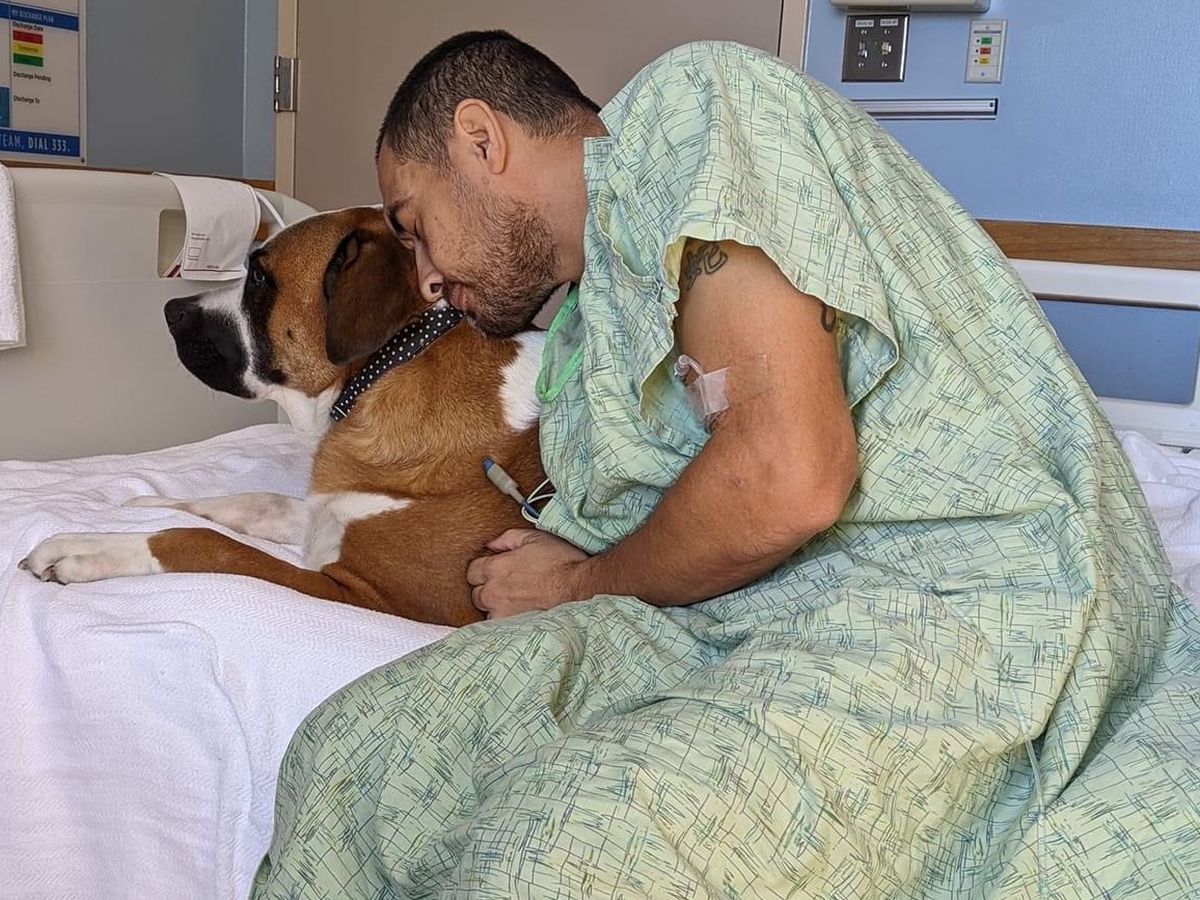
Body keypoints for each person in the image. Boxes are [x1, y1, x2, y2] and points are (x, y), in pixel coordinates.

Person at [252, 32, 1199, 898]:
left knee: (557, 856)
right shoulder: (589, 326)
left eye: (415, 222)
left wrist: (578, 582)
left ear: (480, 139)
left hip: (938, 593)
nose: (423, 274)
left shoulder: (696, 109)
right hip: (722, 613)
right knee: (349, 758)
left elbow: (787, 476)